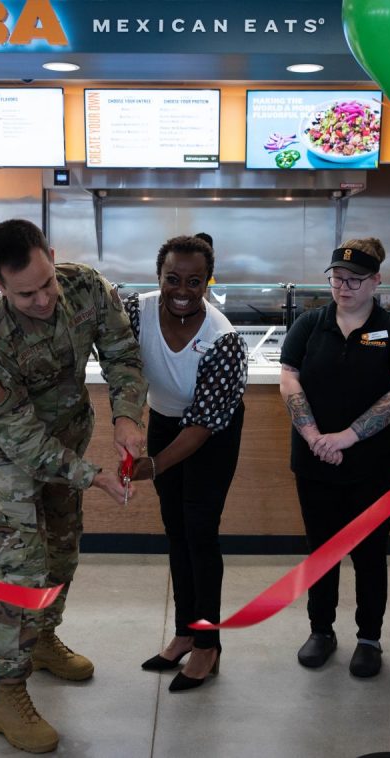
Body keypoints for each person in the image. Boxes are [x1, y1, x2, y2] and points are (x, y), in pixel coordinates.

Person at [0, 219, 147, 753]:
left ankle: (42, 640)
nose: (43, 298)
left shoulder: (86, 285)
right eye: (26, 293)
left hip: (69, 440)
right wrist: (92, 476)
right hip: (13, 461)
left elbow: (121, 353)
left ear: (52, 255)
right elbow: (17, 435)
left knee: (63, 552)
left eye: (47, 283)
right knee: (21, 570)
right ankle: (6, 693)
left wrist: (128, 417)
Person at [279, 238, 390, 678]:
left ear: (376, 280)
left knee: (370, 554)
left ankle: (369, 638)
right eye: (337, 278)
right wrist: (317, 436)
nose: (345, 287)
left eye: (356, 280)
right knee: (321, 550)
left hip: (372, 466)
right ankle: (321, 630)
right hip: (314, 460)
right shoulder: (309, 324)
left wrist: (348, 437)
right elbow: (289, 379)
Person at [123, 234, 247, 692]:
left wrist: (154, 465)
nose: (182, 289)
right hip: (163, 420)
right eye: (172, 278)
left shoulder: (224, 339)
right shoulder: (137, 310)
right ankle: (183, 632)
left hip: (210, 435)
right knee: (175, 530)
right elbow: (121, 363)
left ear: (207, 282)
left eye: (195, 281)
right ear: (159, 277)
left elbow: (201, 426)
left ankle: (207, 644)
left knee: (199, 532)